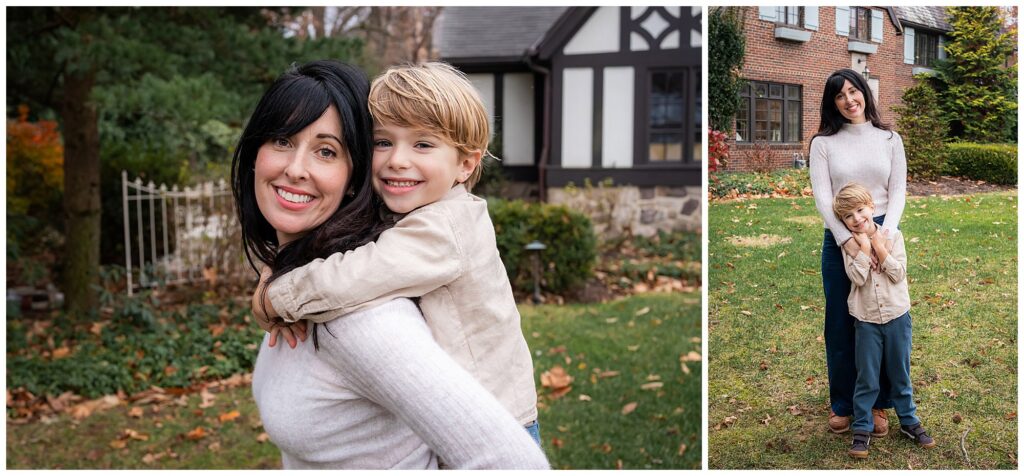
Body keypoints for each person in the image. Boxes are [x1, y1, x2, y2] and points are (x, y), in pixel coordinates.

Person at [230, 59, 549, 469]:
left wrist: (278, 294)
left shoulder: (439, 233)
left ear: (466, 164)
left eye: (423, 144)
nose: (397, 161)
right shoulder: (406, 212)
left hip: (503, 418)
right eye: (384, 142)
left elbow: (361, 274)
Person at [809, 68, 907, 436]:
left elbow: (897, 189)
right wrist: (846, 239)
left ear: (864, 92)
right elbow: (822, 195)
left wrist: (884, 236)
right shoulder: (823, 143)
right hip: (840, 237)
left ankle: (880, 404)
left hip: (883, 228)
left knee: (881, 320)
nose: (849, 100)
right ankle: (843, 404)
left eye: (854, 91)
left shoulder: (889, 138)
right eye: (839, 95)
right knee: (840, 321)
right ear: (832, 102)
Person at [832, 183, 934, 458]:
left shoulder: (893, 237)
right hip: (866, 321)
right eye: (848, 216)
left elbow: (898, 273)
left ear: (872, 208)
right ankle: (863, 428)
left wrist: (879, 246)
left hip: (897, 316)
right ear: (843, 222)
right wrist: (865, 249)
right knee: (867, 377)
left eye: (860, 210)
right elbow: (857, 278)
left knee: (900, 373)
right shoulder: (849, 247)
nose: (856, 218)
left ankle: (909, 421)